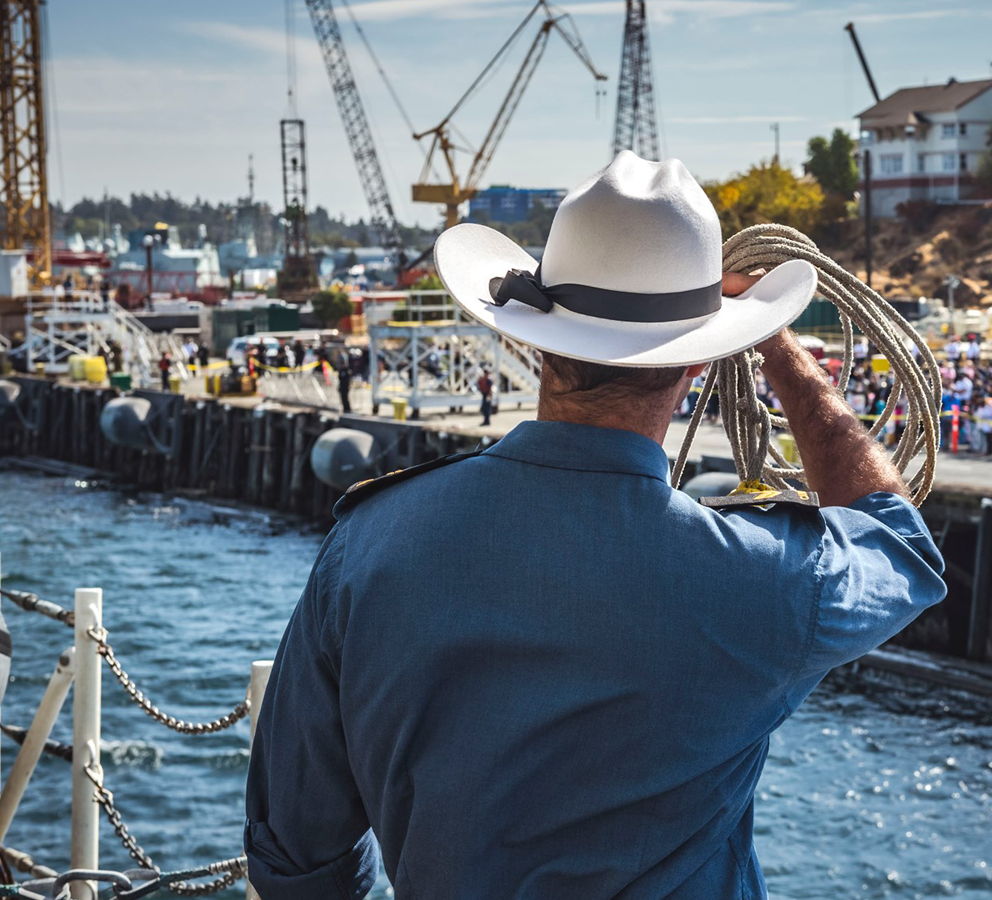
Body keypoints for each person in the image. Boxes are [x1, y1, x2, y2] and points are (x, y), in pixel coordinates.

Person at [244, 153, 946, 900]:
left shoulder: (370, 543)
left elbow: (293, 853)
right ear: (696, 365)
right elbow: (896, 541)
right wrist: (777, 347)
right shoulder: (762, 579)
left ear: (538, 340)